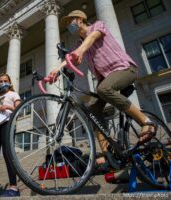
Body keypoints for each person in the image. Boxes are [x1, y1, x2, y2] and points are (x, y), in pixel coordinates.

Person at [47, 10, 156, 165]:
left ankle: (147, 122)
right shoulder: (79, 43)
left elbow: (91, 38)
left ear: (79, 19)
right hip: (106, 79)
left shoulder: (98, 25)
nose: (67, 26)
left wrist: (80, 51)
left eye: (69, 21)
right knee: (93, 110)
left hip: (125, 69)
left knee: (103, 89)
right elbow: (73, 56)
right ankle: (108, 154)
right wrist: (57, 69)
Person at [0, 73, 21, 197]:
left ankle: (14, 187)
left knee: (7, 154)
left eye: (5, 80)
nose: (3, 83)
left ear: (10, 82)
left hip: (7, 125)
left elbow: (19, 108)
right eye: (0, 81)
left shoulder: (13, 94)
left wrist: (8, 106)